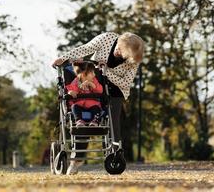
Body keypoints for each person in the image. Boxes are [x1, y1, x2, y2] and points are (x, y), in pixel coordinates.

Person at [53, 32, 145, 175]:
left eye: (125, 55)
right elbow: (85, 48)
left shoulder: (134, 58)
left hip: (116, 90)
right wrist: (63, 58)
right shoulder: (107, 38)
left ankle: (115, 156)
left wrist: (105, 71)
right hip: (93, 83)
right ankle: (76, 160)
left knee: (113, 122)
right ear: (119, 44)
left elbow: (126, 83)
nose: (119, 54)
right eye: (120, 50)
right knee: (85, 118)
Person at [66, 61, 103, 127]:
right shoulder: (76, 81)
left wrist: (92, 85)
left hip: (93, 105)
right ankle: (79, 121)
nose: (94, 75)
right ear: (83, 74)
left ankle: (95, 121)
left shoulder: (94, 81)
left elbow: (100, 91)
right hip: (80, 105)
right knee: (74, 107)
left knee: (96, 108)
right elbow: (71, 89)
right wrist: (71, 92)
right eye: (91, 73)